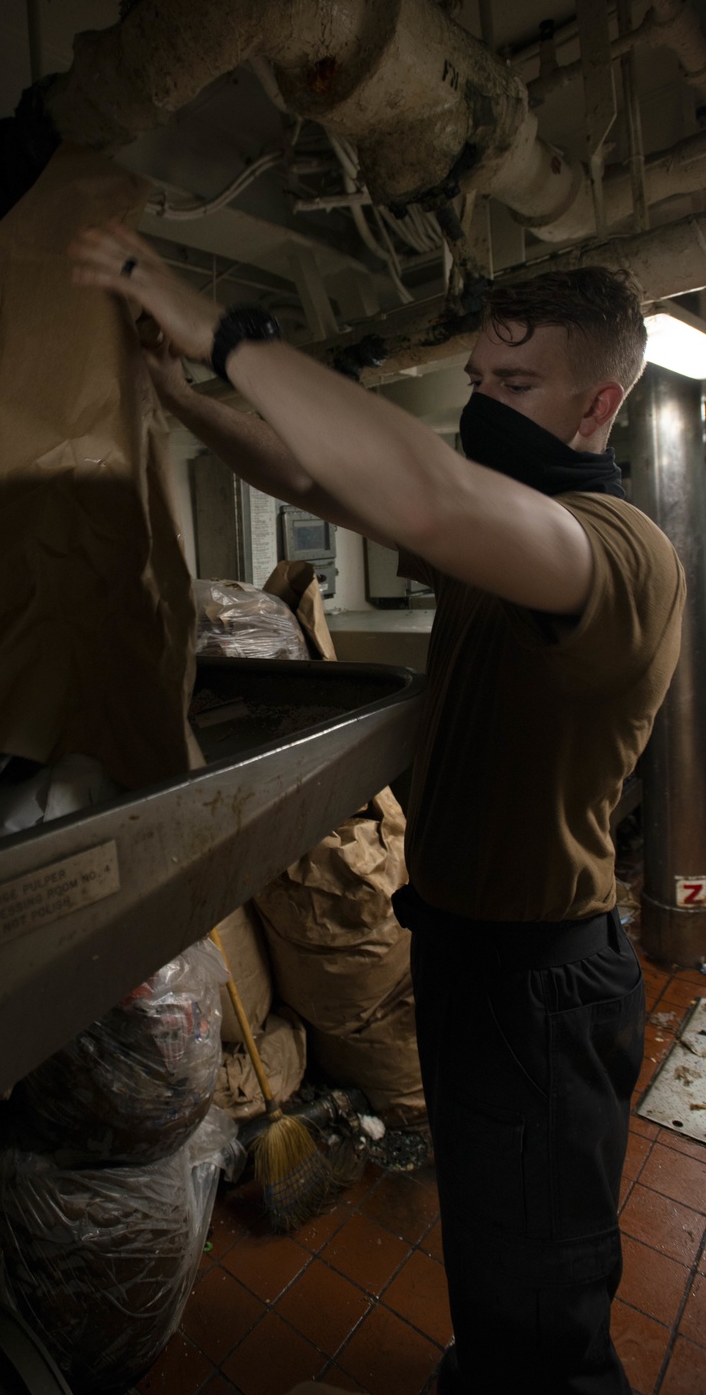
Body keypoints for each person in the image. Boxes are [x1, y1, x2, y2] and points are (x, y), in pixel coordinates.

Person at [69, 224, 686, 1395]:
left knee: (547, 1310)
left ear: (599, 402)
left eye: (516, 385)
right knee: (501, 1265)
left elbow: (423, 484)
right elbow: (315, 473)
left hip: (538, 981)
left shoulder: (615, 551)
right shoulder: (497, 538)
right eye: (477, 383)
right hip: (465, 953)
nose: (485, 404)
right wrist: (177, 395)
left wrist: (215, 324)